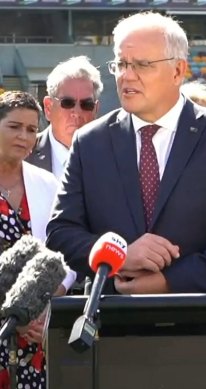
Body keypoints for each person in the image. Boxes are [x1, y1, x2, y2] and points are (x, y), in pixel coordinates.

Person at [45, 11, 206, 294]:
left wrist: (172, 281)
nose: (127, 76)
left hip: (205, 324)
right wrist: (121, 257)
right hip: (113, 325)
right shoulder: (90, 142)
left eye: (142, 65)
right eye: (121, 64)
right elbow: (61, 233)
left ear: (178, 70)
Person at [0, 91, 74, 389]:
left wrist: (48, 300)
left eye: (32, 129)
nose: (24, 136)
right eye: (14, 126)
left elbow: (65, 251)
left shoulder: (47, 184)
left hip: (36, 335)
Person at [27, 56, 102, 179]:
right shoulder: (23, 155)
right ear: (48, 108)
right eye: (67, 103)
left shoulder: (113, 157)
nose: (77, 112)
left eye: (86, 104)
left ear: (96, 110)